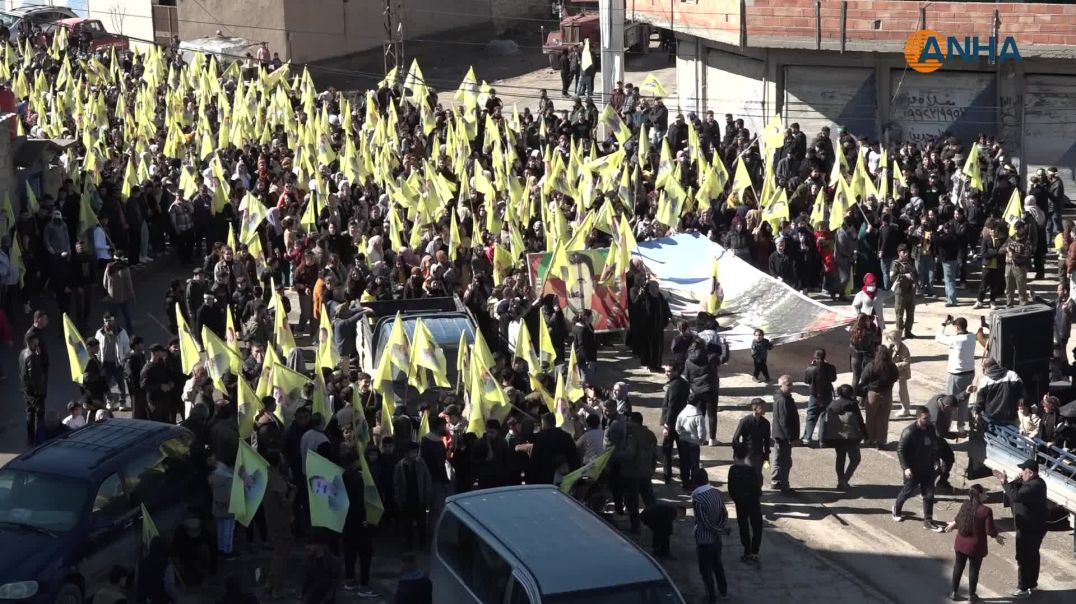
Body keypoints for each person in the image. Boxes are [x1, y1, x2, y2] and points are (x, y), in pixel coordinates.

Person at [944, 484, 1002, 602]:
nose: (986, 494)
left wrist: (952, 524)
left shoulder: (965, 504)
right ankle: (972, 596)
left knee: (958, 568)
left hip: (960, 544)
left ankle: (954, 592)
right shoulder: (986, 511)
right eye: (985, 492)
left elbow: (958, 518)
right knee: (974, 570)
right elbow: (989, 530)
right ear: (979, 495)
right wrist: (997, 537)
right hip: (975, 547)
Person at [999, 459, 1048, 598]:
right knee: (1032, 556)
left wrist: (1004, 483)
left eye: (1023, 470)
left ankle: (1023, 588)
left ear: (1030, 472)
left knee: (1023, 557)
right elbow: (1017, 488)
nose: (1021, 473)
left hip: (1029, 528)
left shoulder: (1034, 486)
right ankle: (1032, 584)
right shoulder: (1033, 483)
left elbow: (1015, 496)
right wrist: (1013, 481)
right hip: (1033, 526)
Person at [893, 407, 945, 532]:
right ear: (918, 418)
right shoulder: (909, 432)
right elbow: (900, 450)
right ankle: (897, 508)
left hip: (927, 467)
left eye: (929, 418)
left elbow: (934, 445)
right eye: (925, 418)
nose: (928, 420)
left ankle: (928, 521)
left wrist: (936, 459)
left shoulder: (931, 428)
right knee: (908, 491)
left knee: (929, 495)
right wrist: (906, 468)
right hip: (913, 469)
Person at [691, 469, 729, 602]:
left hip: (704, 540)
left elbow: (704, 521)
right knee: (718, 565)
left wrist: (716, 530)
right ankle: (723, 591)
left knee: (706, 570)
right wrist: (721, 529)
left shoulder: (698, 499)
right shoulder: (716, 493)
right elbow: (725, 514)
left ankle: (711, 596)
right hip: (717, 540)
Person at [936, 316, 977, 431]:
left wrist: (944, 323)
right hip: (969, 373)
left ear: (957, 327)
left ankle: (947, 426)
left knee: (950, 400)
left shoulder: (956, 340)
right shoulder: (972, 337)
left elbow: (938, 337)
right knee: (964, 399)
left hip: (957, 375)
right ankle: (961, 426)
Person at [821, 384, 866, 490]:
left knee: (840, 458)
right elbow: (860, 421)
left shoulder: (832, 404)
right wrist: (865, 435)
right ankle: (845, 480)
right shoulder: (852, 405)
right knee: (855, 459)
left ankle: (840, 480)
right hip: (851, 437)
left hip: (837, 437)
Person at [727, 444, 762, 564]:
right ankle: (755, 552)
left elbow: (730, 489)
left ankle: (747, 551)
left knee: (743, 527)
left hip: (740, 503)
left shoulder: (733, 470)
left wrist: (736, 499)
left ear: (735, 456)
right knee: (757, 527)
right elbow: (757, 488)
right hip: (753, 503)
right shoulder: (751, 470)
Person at [857, 346, 899, 447]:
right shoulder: (892, 366)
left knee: (870, 418)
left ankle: (869, 439)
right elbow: (895, 377)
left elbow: (863, 379)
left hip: (873, 394)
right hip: (887, 394)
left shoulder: (871, 366)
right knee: (883, 419)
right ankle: (880, 442)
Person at [394, 441, 432, 550]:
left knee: (422, 523)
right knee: (407, 524)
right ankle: (409, 544)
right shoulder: (400, 466)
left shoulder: (421, 463)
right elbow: (396, 484)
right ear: (406, 453)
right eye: (413, 452)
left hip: (419, 498)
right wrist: (398, 498)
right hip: (406, 499)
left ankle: (422, 544)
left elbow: (427, 479)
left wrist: (427, 496)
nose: (415, 454)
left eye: (416, 451)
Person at [659, 361, 690, 485]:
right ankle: (685, 477)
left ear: (677, 371)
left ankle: (667, 476)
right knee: (683, 452)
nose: (667, 373)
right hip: (682, 422)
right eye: (666, 371)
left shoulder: (674, 386)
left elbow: (672, 407)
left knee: (667, 450)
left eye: (670, 371)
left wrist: (667, 425)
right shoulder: (683, 383)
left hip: (673, 424)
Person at [731, 398, 771, 486]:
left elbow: (767, 441)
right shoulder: (745, 421)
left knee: (758, 476)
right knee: (748, 475)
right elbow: (735, 438)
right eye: (762, 407)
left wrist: (766, 456)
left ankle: (756, 493)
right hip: (747, 454)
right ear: (754, 408)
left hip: (759, 454)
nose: (765, 409)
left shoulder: (766, 423)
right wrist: (738, 452)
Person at [770, 375, 799, 492]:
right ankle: (784, 485)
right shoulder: (782, 400)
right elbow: (784, 421)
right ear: (781, 385)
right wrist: (790, 438)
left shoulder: (785, 398)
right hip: (783, 437)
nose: (791, 387)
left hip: (780, 435)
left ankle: (776, 481)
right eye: (788, 385)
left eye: (792, 384)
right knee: (785, 461)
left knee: (778, 459)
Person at [802, 348, 837, 445]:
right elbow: (833, 379)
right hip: (827, 395)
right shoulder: (831, 368)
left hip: (814, 395)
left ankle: (807, 437)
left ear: (814, 357)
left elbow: (806, 381)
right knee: (824, 417)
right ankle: (823, 439)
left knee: (811, 416)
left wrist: (811, 365)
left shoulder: (810, 368)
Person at [18, 332, 47, 444]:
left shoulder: (22, 353)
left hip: (25, 389)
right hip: (35, 392)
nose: (38, 342)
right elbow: (35, 377)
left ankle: (31, 437)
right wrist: (40, 393)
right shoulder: (32, 357)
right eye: (36, 341)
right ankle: (39, 438)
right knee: (39, 414)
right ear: (32, 342)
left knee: (29, 413)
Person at [674, 395, 706, 489]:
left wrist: (682, 435)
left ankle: (685, 482)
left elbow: (677, 428)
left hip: (683, 441)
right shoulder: (698, 415)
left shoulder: (682, 413)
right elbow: (701, 431)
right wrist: (701, 439)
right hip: (694, 442)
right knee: (694, 464)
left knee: (684, 463)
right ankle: (694, 483)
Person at [890, 243, 917, 338]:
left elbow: (915, 274)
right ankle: (899, 334)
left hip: (910, 292)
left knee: (910, 314)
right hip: (900, 292)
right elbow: (892, 277)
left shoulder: (910, 263)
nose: (906, 254)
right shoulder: (895, 264)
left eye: (907, 252)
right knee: (899, 315)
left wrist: (915, 282)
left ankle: (908, 332)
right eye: (903, 252)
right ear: (899, 253)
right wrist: (904, 276)